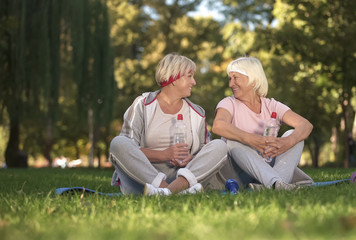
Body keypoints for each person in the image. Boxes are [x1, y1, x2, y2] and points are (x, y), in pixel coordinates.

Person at [109, 53, 227, 196]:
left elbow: (204, 152)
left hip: (183, 179)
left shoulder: (197, 113)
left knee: (219, 146)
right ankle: (170, 191)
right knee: (118, 143)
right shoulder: (142, 105)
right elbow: (129, 148)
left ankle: (166, 192)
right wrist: (164, 155)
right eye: (189, 76)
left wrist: (193, 157)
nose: (194, 82)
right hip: (145, 182)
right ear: (174, 78)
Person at [212, 56, 314, 191]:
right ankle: (275, 183)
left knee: (294, 135)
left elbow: (306, 125)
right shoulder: (228, 103)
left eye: (236, 78)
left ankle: (274, 185)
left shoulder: (272, 105)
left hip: (266, 167)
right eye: (230, 79)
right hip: (236, 172)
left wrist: (287, 142)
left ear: (253, 80)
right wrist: (251, 139)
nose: (231, 84)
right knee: (233, 142)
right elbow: (218, 125)